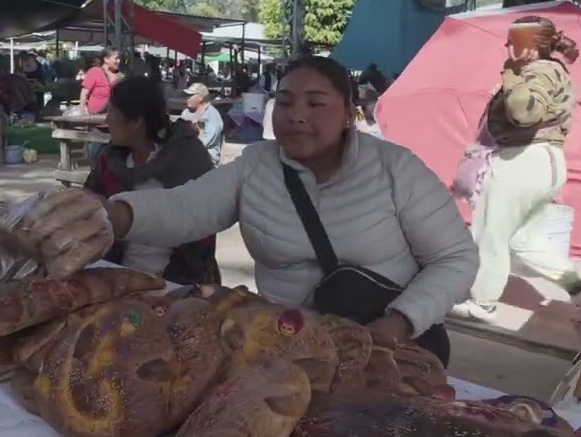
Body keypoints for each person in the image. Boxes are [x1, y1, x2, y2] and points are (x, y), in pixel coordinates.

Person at [49, 57, 477, 365]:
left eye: (315, 103)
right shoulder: (256, 165)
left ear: (348, 113)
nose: (296, 116)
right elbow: (184, 208)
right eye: (286, 102)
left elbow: (456, 258)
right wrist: (111, 215)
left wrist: (398, 324)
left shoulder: (396, 169)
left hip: (390, 349)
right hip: (284, 346)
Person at [450, 16, 581, 323]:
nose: (507, 45)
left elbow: (524, 112)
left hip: (521, 160)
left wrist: (511, 75)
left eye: (513, 40)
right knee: (521, 239)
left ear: (528, 46)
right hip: (543, 161)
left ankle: (483, 303)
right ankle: (575, 284)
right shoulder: (551, 71)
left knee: (489, 232)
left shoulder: (538, 71)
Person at [83, 76, 219, 285]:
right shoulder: (111, 159)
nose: (106, 120)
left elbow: (204, 232)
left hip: (179, 284)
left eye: (112, 112)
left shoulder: (188, 158)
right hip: (118, 279)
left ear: (136, 122)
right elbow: (88, 204)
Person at [182, 82, 225, 166]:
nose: (187, 98)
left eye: (191, 95)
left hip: (207, 159)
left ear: (201, 98)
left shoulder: (212, 116)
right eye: (186, 95)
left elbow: (205, 143)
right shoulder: (187, 112)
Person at [79, 47, 119, 115]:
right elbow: (84, 94)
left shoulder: (119, 75)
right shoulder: (95, 72)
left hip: (113, 116)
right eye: (116, 58)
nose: (118, 61)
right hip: (95, 116)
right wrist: (82, 112)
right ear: (106, 59)